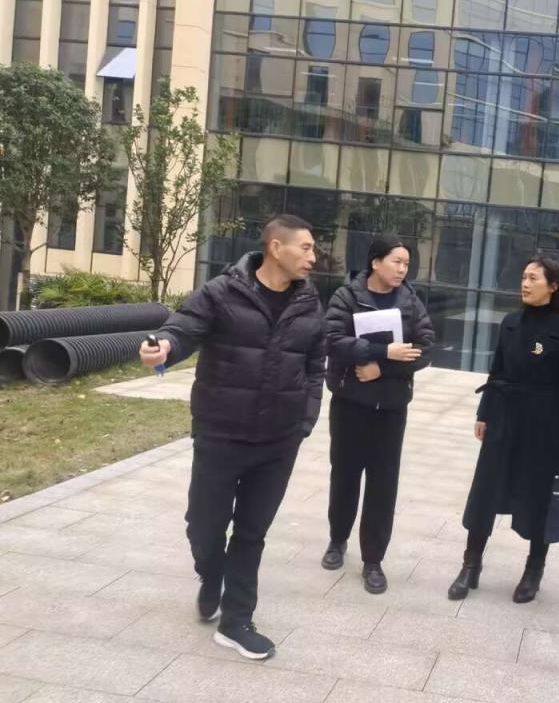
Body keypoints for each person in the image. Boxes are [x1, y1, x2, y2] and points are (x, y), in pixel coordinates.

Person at [139, 214, 326, 661]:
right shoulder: (222, 292)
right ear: (276, 248)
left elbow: (315, 366)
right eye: (306, 248)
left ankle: (237, 621)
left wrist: (303, 422)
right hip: (221, 433)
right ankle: (212, 573)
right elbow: (183, 328)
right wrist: (162, 347)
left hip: (278, 440)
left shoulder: (309, 303)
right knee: (204, 526)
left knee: (251, 533)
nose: (313, 258)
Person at [449, 255, 559, 604]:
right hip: (504, 417)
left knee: (539, 498)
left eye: (533, 278)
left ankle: (534, 569)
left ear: (553, 286)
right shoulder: (510, 323)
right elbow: (497, 371)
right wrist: (484, 412)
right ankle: (470, 564)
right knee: (485, 492)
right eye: (524, 277)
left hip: (546, 425)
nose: (525, 284)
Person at [321, 233, 434, 594]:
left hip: (390, 407)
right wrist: (382, 352)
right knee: (344, 476)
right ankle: (337, 540)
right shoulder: (347, 296)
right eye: (397, 261)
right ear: (375, 262)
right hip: (349, 403)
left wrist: (381, 369)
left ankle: (373, 560)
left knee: (383, 485)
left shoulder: (411, 302)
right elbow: (332, 340)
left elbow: (425, 348)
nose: (403, 269)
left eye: (406, 263)